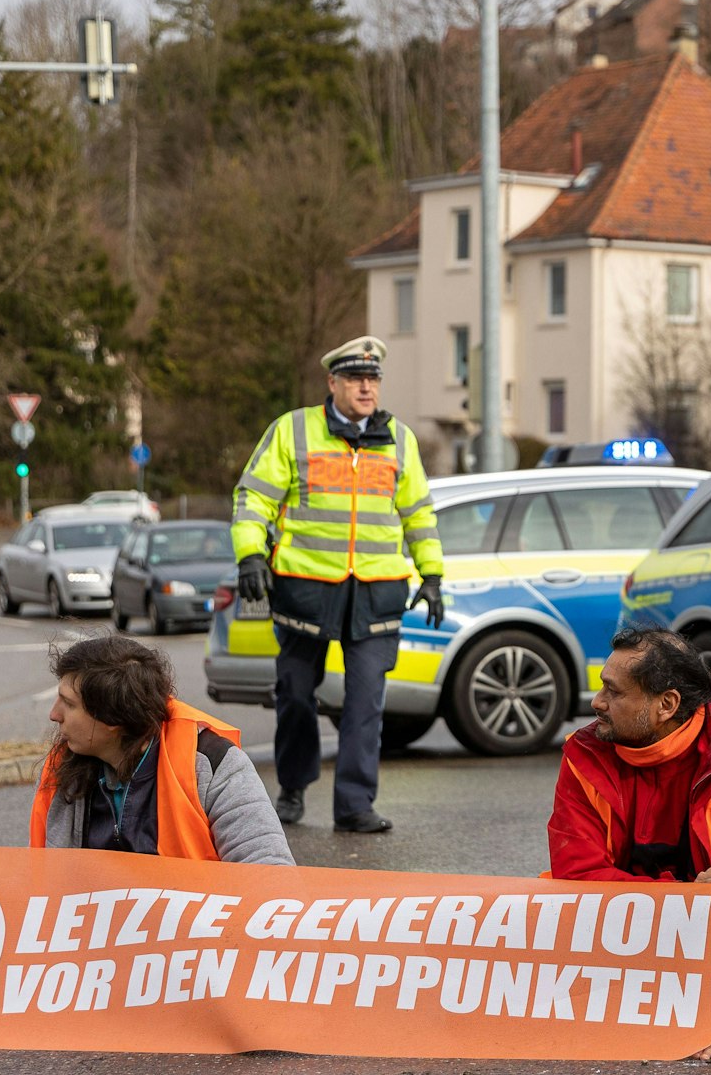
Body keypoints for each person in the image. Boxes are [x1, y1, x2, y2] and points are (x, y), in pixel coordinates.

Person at [548, 627, 711, 1062]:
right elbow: (577, 877)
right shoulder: (584, 752)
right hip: (623, 934)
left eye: (613, 691)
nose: (597, 702)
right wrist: (686, 894)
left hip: (708, 950)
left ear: (666, 705)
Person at [231, 336, 445, 834]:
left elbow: (418, 513)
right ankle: (292, 788)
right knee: (296, 695)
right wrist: (249, 555)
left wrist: (432, 573)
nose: (366, 387)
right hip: (306, 586)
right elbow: (253, 498)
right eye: (355, 378)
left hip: (377, 590)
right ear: (333, 383)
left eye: (372, 379)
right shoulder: (293, 430)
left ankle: (354, 804)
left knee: (366, 702)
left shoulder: (400, 439)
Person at [32, 634, 295, 865]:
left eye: (68, 703)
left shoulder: (212, 764)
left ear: (113, 719)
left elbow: (269, 874)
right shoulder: (61, 771)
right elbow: (41, 887)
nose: (54, 714)